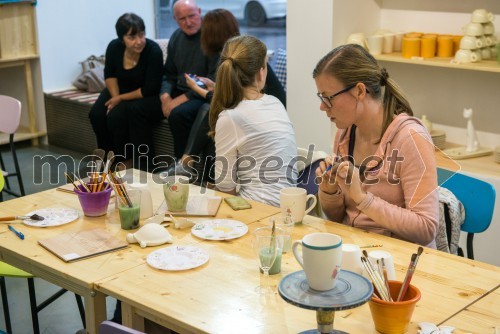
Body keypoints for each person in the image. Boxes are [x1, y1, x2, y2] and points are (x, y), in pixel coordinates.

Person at [313, 44, 439, 248]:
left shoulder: (411, 138)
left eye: (327, 98)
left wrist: (362, 198)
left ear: (359, 91)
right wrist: (330, 191)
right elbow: (340, 220)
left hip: (400, 260)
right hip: (357, 250)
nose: (322, 106)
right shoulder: (344, 135)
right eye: (321, 98)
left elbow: (426, 228)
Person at [163, 8, 287, 183]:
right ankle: (199, 177)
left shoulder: (239, 58)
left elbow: (230, 98)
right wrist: (213, 86)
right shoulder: (230, 57)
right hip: (248, 105)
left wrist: (198, 89)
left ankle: (188, 166)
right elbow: (234, 92)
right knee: (212, 127)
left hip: (262, 109)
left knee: (210, 110)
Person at [208, 35, 297, 207]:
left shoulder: (231, 117)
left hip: (259, 210)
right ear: (261, 73)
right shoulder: (274, 102)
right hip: (287, 208)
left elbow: (225, 188)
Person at [89, 13, 164, 170]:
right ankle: (108, 156)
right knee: (96, 114)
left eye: (142, 35)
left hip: (144, 94)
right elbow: (109, 74)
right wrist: (116, 97)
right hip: (119, 89)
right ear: (122, 38)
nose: (139, 41)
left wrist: (120, 99)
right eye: (132, 37)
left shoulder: (153, 51)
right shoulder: (114, 47)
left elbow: (150, 88)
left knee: (117, 116)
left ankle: (126, 159)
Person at [159, 0, 219, 163]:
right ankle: (142, 163)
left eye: (191, 16)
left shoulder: (211, 36)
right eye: (182, 19)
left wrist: (179, 100)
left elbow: (213, 79)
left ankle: (183, 164)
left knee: (178, 114)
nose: (188, 22)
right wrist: (165, 96)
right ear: (175, 20)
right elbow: (168, 74)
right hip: (180, 90)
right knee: (139, 108)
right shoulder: (176, 37)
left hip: (202, 95)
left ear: (199, 12)